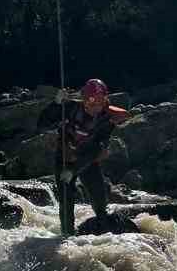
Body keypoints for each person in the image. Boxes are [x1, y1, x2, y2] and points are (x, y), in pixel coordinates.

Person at [55, 78, 129, 236]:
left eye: (100, 102)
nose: (95, 107)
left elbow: (96, 150)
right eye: (91, 102)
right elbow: (43, 121)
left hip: (87, 157)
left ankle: (104, 229)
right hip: (64, 157)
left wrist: (73, 170)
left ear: (105, 101)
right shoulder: (69, 108)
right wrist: (56, 103)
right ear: (83, 99)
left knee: (99, 195)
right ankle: (67, 236)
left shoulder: (106, 118)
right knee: (66, 200)